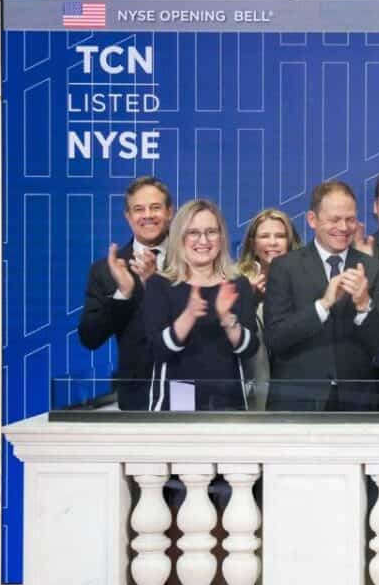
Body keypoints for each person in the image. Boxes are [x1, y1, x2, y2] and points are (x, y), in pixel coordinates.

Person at [263, 180, 379, 411]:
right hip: (297, 402)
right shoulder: (284, 267)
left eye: (350, 219)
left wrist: (364, 305)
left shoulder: (373, 269)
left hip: (356, 404)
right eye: (334, 219)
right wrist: (322, 306)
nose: (343, 227)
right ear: (312, 220)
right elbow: (276, 338)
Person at [142, 199, 259, 411]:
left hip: (228, 396)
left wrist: (227, 319)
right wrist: (188, 315)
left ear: (221, 237)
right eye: (193, 232)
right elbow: (156, 350)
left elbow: (250, 348)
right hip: (179, 394)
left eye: (211, 232)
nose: (203, 240)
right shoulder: (160, 285)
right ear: (180, 238)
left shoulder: (237, 284)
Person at [77, 176, 174, 409]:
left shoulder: (193, 259)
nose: (147, 215)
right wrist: (124, 293)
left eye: (155, 207)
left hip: (188, 386)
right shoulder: (106, 269)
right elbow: (90, 337)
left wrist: (156, 285)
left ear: (170, 212)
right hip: (136, 393)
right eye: (138, 209)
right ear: (128, 217)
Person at [235, 208, 302, 410]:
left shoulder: (305, 280)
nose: (273, 243)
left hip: (294, 387)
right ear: (253, 244)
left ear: (290, 242)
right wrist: (248, 299)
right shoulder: (234, 280)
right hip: (249, 386)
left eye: (280, 236)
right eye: (265, 236)